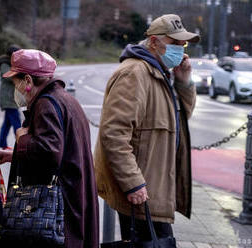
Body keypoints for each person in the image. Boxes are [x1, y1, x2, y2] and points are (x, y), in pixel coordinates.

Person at [94, 14, 200, 243]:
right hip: (142, 191)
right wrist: (133, 183)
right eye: (175, 43)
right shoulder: (135, 74)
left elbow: (180, 119)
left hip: (154, 189)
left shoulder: (158, 72)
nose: (181, 50)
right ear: (154, 42)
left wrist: (184, 81)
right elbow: (113, 133)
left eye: (183, 45)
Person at [0, 49, 99, 248]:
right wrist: (15, 155)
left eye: (15, 83)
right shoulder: (64, 99)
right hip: (73, 197)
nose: (16, 90)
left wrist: (23, 138)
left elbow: (49, 152)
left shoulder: (45, 104)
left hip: (58, 208)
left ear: (27, 81)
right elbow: (61, 150)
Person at [0, 45, 21, 150]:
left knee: (7, 123)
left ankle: (2, 143)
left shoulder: (9, 64)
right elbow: (8, 76)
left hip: (11, 98)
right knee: (17, 122)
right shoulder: (5, 64)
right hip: (8, 99)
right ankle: (21, 144)